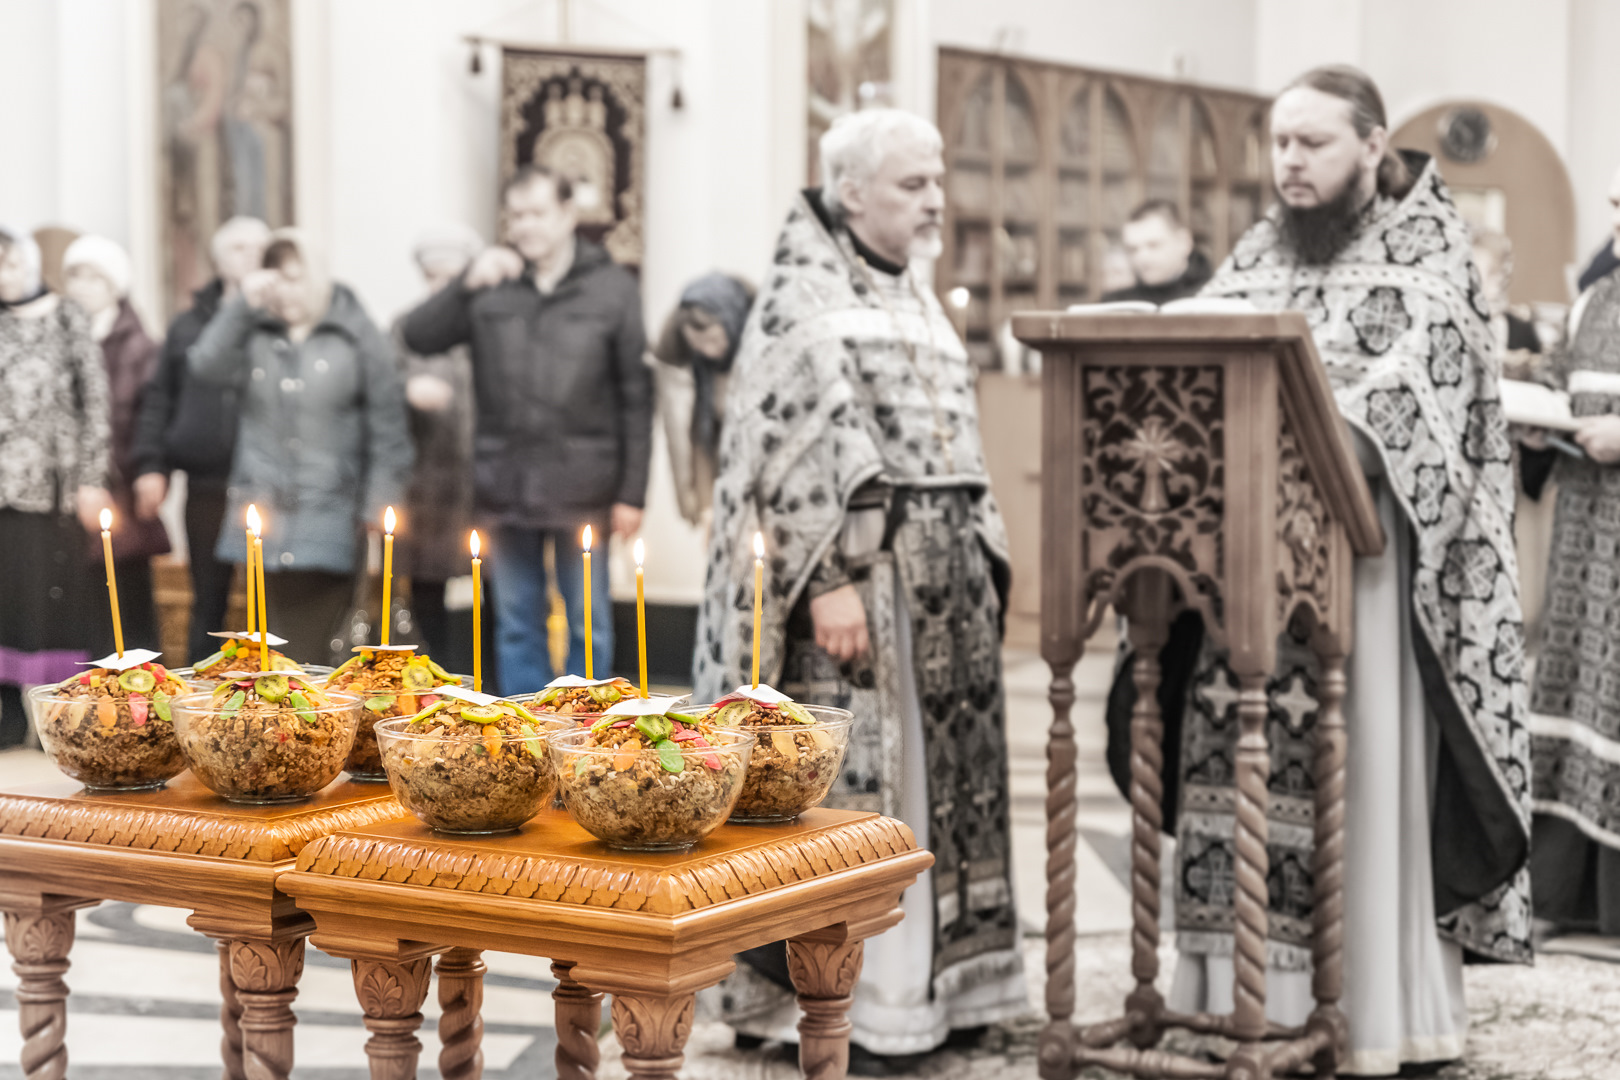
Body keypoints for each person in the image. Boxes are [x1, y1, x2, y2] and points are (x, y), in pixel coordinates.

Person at [1106, 66, 1532, 1075]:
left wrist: (1296, 433)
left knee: (1363, 780)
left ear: (1373, 148)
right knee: (1231, 772)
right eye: (1279, 144)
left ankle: (1378, 1014)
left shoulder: (1432, 264)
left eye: (1312, 145)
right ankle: (1232, 1001)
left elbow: (1403, 414)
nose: (1288, 164)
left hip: (1366, 583)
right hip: (1236, 585)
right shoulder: (1259, 252)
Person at [693, 109, 1026, 1066]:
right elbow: (781, 451)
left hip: (943, 583)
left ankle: (938, 989)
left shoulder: (914, 290)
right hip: (861, 586)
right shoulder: (801, 293)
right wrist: (828, 577)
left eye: (937, 180)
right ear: (850, 193)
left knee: (940, 780)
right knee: (864, 787)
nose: (935, 201)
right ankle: (855, 997)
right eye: (912, 185)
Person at [402, 165, 651, 694]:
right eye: (515, 216)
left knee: (588, 625)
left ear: (567, 214)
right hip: (504, 485)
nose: (525, 226)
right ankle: (530, 740)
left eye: (537, 213)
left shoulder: (612, 288)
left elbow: (636, 394)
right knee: (516, 625)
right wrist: (466, 281)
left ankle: (588, 738)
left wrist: (633, 493)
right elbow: (419, 335)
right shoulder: (492, 284)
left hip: (586, 487)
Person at [189, 228, 412, 662]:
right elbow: (204, 366)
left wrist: (378, 509)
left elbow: (389, 430)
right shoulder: (254, 331)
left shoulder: (358, 334)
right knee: (270, 658)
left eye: (294, 277)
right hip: (262, 519)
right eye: (274, 277)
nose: (284, 290)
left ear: (316, 275)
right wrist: (241, 306)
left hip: (330, 515)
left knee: (320, 655)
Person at [1527, 162, 1620, 939]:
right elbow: (1563, 373)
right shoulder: (1597, 294)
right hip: (1584, 524)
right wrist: (1537, 412)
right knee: (1574, 690)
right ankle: (1566, 893)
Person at [132, 216, 269, 660]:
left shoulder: (278, 321)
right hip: (206, 485)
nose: (248, 256)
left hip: (268, 485)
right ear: (218, 258)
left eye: (257, 248)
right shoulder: (188, 325)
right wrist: (152, 465)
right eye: (238, 248)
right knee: (206, 599)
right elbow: (159, 400)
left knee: (265, 604)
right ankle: (196, 704)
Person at [0, 226, 111, 745]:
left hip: (54, 489)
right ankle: (7, 715)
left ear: (28, 264)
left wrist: (91, 477)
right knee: (5, 603)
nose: (6, 276)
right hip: (2, 490)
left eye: (12, 264)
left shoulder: (67, 316)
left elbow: (95, 403)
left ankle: (60, 718)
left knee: (53, 606)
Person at [61, 235, 171, 658]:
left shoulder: (141, 348)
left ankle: (141, 702)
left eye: (94, 278)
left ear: (115, 286)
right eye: (76, 276)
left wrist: (148, 469)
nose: (83, 286)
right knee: (80, 609)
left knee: (128, 603)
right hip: (67, 497)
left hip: (123, 488)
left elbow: (150, 417)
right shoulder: (60, 339)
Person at [394, 224, 483, 659]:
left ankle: (493, 689)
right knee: (427, 591)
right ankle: (438, 682)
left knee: (492, 587)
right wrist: (405, 391)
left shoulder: (486, 327)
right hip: (424, 485)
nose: (440, 288)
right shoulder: (405, 328)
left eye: (450, 278)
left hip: (482, 484)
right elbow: (378, 389)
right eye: (433, 278)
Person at [651, 272, 754, 526]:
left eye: (713, 340)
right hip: (714, 456)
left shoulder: (760, 337)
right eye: (698, 345)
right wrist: (699, 503)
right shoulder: (686, 358)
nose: (707, 352)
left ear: (731, 322)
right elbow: (683, 431)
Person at [1100, 199, 1212, 304]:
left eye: (1153, 245)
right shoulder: (1117, 302)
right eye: (1133, 249)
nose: (1142, 258)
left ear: (1184, 242)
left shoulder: (1215, 297)